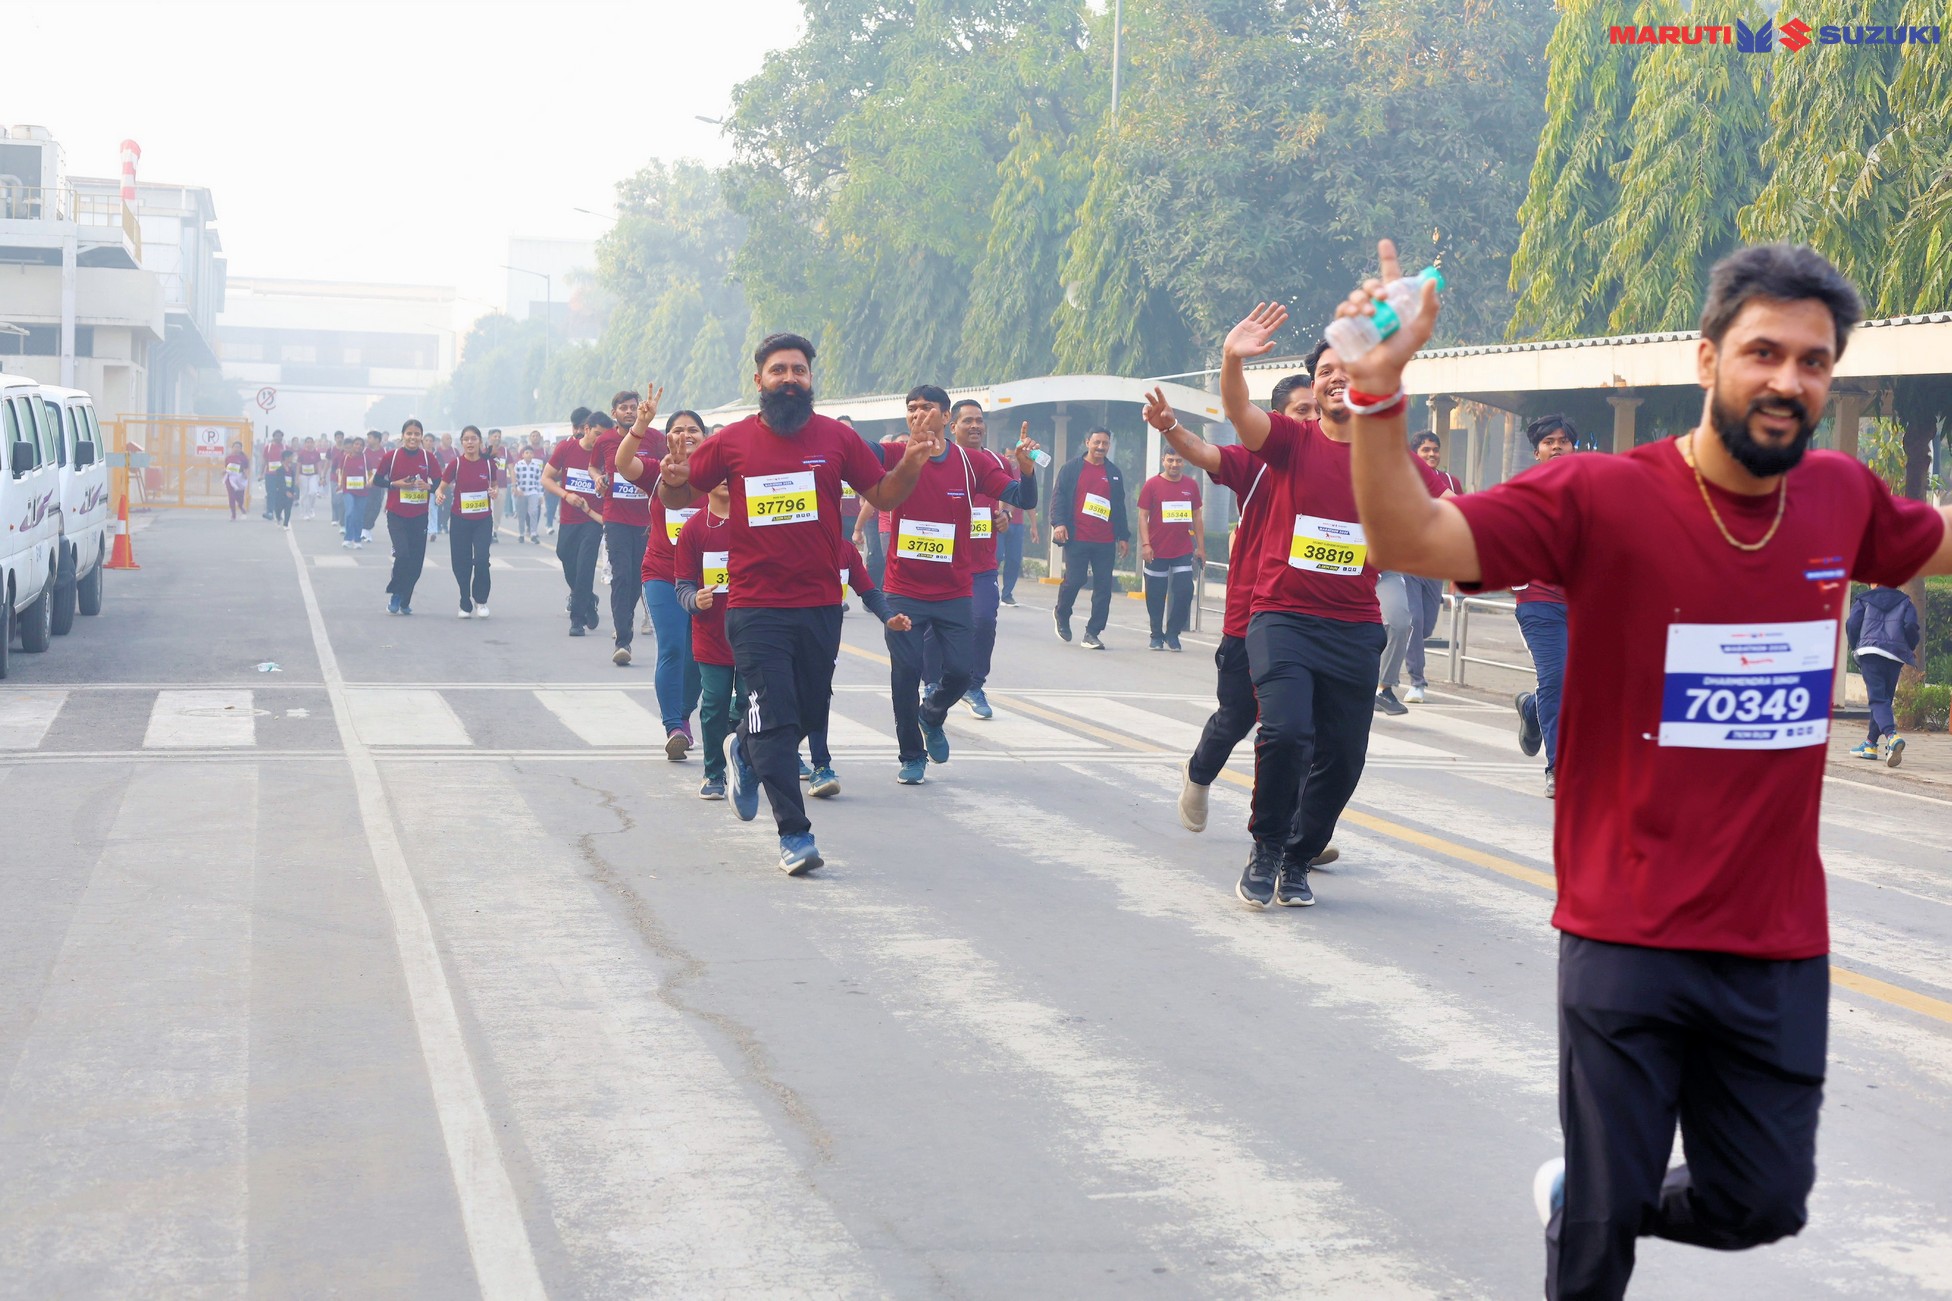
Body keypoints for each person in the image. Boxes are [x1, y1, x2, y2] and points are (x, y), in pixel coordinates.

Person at [1339, 237, 1951, 1301]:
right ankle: (1595, 1204)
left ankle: (1591, 1193)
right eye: (1763, 352)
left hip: (1774, 939)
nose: (1787, 380)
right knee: (1598, 1243)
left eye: (1812, 361)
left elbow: (1934, 540)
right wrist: (1376, 394)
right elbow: (1409, 537)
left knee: (1762, 1200)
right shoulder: (1597, 494)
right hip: (1627, 925)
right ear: (1707, 356)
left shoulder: (1839, 496)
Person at [656, 332, 930, 874]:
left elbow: (883, 494)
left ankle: (742, 747)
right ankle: (795, 834)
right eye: (778, 370)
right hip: (755, 606)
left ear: (809, 379)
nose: (789, 379)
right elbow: (680, 494)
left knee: (807, 711)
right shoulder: (732, 441)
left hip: (821, 604)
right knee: (776, 717)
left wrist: (913, 463)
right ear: (759, 380)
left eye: (798, 370)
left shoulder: (836, 438)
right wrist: (670, 480)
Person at [1217, 312, 1450, 910]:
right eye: (1325, 371)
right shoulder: (1292, 440)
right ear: (1315, 385)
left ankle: (1299, 857)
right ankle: (1267, 847)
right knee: (1286, 732)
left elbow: (1451, 504)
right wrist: (1232, 358)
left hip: (1353, 629)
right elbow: (1240, 411)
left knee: (1344, 757)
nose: (1336, 378)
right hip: (1282, 618)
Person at [1157, 372, 1303, 835]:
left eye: (1317, 411)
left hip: (1307, 618)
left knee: (1294, 727)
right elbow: (1204, 452)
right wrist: (1170, 427)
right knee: (1238, 716)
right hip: (1251, 614)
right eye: (1302, 411)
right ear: (1277, 418)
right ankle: (1198, 773)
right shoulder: (1255, 463)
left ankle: (1290, 828)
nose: (1312, 420)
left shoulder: (1335, 464)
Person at [879, 386, 1039, 782]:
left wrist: (1027, 469)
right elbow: (850, 455)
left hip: (953, 590)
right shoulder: (895, 454)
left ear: (946, 417)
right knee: (906, 672)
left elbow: (1022, 498)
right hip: (903, 589)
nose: (918, 414)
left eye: (927, 408)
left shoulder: (971, 463)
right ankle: (911, 756)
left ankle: (932, 715)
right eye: (912, 408)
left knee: (962, 672)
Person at [922, 401, 1040, 719]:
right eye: (968, 421)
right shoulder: (936, 458)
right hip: (941, 561)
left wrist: (1005, 514)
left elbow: (1012, 496)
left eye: (979, 420)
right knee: (935, 627)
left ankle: (974, 686)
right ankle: (931, 683)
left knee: (984, 620)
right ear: (952, 426)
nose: (975, 426)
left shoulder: (996, 461)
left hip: (982, 562)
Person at [616, 399, 706, 759]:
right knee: (672, 647)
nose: (685, 435)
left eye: (693, 429)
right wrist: (640, 424)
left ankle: (683, 715)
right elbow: (623, 463)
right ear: (667, 438)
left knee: (699, 656)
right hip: (662, 574)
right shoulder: (657, 471)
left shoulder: (718, 473)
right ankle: (673, 727)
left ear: (705, 437)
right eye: (678, 430)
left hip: (708, 582)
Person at [1509, 414, 1579, 798]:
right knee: (1556, 679)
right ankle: (1558, 767)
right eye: (1549, 442)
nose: (1556, 447)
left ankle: (1532, 708)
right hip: (1539, 603)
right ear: (1537, 452)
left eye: (1562, 441)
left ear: (1573, 447)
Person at [674, 477, 740, 799]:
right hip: (711, 635)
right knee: (713, 703)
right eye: (719, 472)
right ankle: (713, 773)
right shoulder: (694, 529)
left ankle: (740, 755)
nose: (725, 479)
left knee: (749, 703)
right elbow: (682, 585)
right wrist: (694, 599)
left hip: (752, 633)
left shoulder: (754, 521)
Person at [1052, 428, 1130, 649]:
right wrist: (1059, 523)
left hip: (1105, 540)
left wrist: (1123, 536)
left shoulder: (1114, 473)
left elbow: (1119, 506)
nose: (1101, 447)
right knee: (1075, 579)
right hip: (1077, 537)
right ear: (1087, 442)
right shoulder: (1071, 469)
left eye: (1105, 443)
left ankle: (1092, 632)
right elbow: (1058, 497)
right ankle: (1062, 613)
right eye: (1097, 442)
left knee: (1104, 588)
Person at [592, 390, 653, 666]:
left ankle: (623, 621)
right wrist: (598, 478)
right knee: (621, 576)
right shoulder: (605, 440)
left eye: (633, 407)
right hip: (615, 518)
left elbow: (665, 469)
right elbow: (593, 467)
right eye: (623, 407)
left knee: (637, 578)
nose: (629, 411)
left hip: (646, 521)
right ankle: (623, 642)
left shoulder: (655, 439)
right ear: (614, 412)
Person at [1401, 431, 1461, 702]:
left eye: (1435, 449)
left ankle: (1392, 639)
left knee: (1425, 627)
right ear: (1415, 454)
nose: (1432, 454)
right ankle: (1417, 681)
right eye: (1425, 450)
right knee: (1413, 620)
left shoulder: (1450, 482)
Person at [546, 408, 606, 637]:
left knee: (585, 567)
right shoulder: (566, 448)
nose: (600, 440)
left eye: (605, 436)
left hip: (593, 519)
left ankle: (577, 620)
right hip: (569, 518)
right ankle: (588, 599)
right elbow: (546, 478)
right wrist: (566, 495)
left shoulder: (608, 454)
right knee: (564, 555)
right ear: (586, 429)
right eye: (597, 434)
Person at [1138, 448, 1205, 651]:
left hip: (1182, 550)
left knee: (1185, 591)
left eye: (1178, 460)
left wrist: (1201, 548)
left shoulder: (1191, 485)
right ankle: (1156, 635)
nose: (1174, 464)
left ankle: (1173, 633)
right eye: (1170, 460)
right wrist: (1146, 544)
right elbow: (1143, 516)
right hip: (1156, 550)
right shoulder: (1152, 485)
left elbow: (1197, 517)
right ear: (1163, 460)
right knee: (1155, 595)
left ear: (1184, 462)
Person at [1847, 581, 1919, 767]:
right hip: (1894, 655)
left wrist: (1856, 645)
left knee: (1878, 700)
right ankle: (1870, 744)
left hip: (1870, 653)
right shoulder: (1905, 601)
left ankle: (1891, 736)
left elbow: (1852, 624)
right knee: (1884, 699)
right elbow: (1911, 626)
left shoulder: (1864, 599)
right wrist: (1909, 646)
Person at [375, 419, 438, 614]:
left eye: (417, 434)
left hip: (419, 516)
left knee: (416, 563)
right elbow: (377, 480)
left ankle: (405, 600)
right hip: (397, 515)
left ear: (421, 437)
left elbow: (439, 482)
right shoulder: (391, 457)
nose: (413, 437)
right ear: (403, 436)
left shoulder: (428, 458)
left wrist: (429, 487)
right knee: (402, 554)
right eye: (409, 433)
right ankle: (396, 593)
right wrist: (395, 484)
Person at [436, 425, 496, 618]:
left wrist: (493, 492)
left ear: (480, 441)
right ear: (461, 442)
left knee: (481, 559)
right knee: (461, 561)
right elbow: (441, 487)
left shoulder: (488, 464)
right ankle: (464, 599)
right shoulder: (456, 464)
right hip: (460, 519)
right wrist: (439, 495)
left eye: (473, 438)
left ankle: (481, 600)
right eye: (466, 439)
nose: (470, 442)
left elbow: (494, 487)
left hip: (483, 519)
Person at [338, 436, 373, 548]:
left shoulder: (366, 459)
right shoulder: (345, 458)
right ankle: (348, 538)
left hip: (362, 491)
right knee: (350, 512)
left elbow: (371, 473)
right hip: (348, 490)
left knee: (359, 515)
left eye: (361, 445)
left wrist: (370, 482)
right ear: (352, 445)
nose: (358, 446)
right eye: (356, 444)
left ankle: (357, 540)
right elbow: (340, 472)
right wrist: (340, 484)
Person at [513, 445, 545, 543]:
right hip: (521, 493)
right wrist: (517, 489)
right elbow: (515, 479)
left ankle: (533, 533)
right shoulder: (518, 465)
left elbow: (539, 481)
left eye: (531, 453)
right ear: (523, 455)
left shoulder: (536, 466)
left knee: (534, 512)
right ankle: (521, 534)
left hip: (532, 492)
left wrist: (540, 495)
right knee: (521, 514)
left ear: (533, 455)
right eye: (526, 453)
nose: (529, 455)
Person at [361, 430, 386, 541]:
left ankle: (368, 528)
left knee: (376, 507)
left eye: (370, 438)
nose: (368, 440)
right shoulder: (364, 452)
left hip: (379, 485)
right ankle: (364, 529)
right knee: (366, 506)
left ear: (377, 439)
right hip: (365, 484)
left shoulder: (385, 452)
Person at [266, 453, 298, 528]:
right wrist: (286, 491)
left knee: (288, 508)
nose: (292, 459)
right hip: (281, 492)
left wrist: (294, 492)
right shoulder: (279, 470)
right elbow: (280, 482)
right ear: (286, 458)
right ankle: (278, 518)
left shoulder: (291, 470)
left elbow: (293, 482)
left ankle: (285, 524)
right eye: (291, 457)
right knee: (279, 508)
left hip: (290, 491)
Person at [295, 436, 324, 519]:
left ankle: (311, 508)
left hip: (313, 475)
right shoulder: (301, 453)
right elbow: (298, 466)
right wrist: (297, 478)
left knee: (313, 492)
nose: (309, 444)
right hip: (303, 475)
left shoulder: (316, 453)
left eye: (311, 442)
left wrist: (321, 477)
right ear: (305, 444)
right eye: (307, 442)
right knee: (304, 494)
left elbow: (319, 466)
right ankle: (304, 512)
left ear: (313, 443)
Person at [259, 429, 286, 519]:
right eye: (276, 436)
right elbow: (264, 461)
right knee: (270, 493)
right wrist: (261, 474)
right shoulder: (268, 447)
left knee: (280, 494)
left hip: (282, 475)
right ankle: (269, 512)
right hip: (270, 474)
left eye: (280, 436)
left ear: (282, 437)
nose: (278, 438)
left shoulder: (285, 448)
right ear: (273, 437)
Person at [223, 440, 250, 521]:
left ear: (241, 449)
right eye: (235, 447)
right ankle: (233, 515)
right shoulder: (228, 458)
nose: (236, 449)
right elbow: (226, 468)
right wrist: (224, 471)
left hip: (240, 479)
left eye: (238, 447)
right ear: (232, 448)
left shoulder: (244, 458)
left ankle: (241, 506)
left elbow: (246, 468)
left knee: (239, 497)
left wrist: (246, 474)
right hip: (230, 478)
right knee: (231, 496)